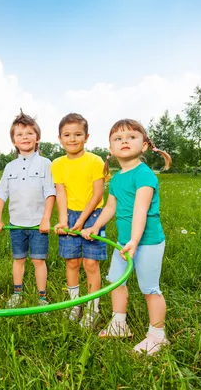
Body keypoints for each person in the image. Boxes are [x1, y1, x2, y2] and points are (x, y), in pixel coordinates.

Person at [82, 118, 172, 355]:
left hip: (147, 241)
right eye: (117, 138)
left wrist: (134, 241)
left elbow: (140, 210)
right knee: (115, 281)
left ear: (144, 146)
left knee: (149, 288)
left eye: (131, 137)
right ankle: (119, 323)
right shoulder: (118, 178)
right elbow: (110, 207)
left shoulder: (144, 175)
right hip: (124, 241)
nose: (124, 141)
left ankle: (157, 336)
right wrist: (95, 226)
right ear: (110, 149)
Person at [0, 110, 56, 308]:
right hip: (16, 224)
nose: (25, 137)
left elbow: (50, 193)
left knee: (38, 261)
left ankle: (42, 298)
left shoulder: (46, 163)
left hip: (38, 223)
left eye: (29, 133)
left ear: (37, 137)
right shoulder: (10, 166)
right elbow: (2, 193)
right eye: (19, 134)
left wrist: (46, 218)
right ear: (14, 141)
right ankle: (17, 293)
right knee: (18, 259)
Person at [52, 113, 107, 328]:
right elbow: (61, 193)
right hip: (70, 214)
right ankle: (74, 304)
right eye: (67, 135)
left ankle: (93, 308)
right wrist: (64, 220)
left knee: (90, 263)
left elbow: (97, 194)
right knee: (72, 261)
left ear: (87, 137)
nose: (72, 139)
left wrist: (82, 220)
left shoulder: (95, 161)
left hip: (92, 216)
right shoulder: (57, 164)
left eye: (77, 134)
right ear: (60, 138)